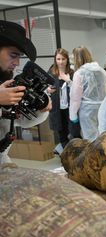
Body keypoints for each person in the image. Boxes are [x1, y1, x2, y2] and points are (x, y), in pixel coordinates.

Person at [0, 20, 52, 163]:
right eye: (13, 55)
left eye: (19, 57)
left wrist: (40, 108)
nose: (17, 63)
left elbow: (20, 120)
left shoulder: (7, 81)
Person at [69, 46, 106, 141]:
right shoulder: (101, 70)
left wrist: (73, 115)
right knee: (104, 138)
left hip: (87, 111)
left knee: (90, 139)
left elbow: (75, 97)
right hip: (103, 108)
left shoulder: (79, 73)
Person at [47, 48, 81, 150]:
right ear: (55, 60)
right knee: (61, 133)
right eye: (58, 59)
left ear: (67, 60)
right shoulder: (51, 73)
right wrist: (47, 90)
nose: (61, 62)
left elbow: (79, 90)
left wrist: (69, 81)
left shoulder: (73, 73)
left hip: (71, 108)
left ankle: (76, 154)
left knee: (74, 132)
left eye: (63, 59)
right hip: (57, 108)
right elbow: (44, 88)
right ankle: (66, 155)